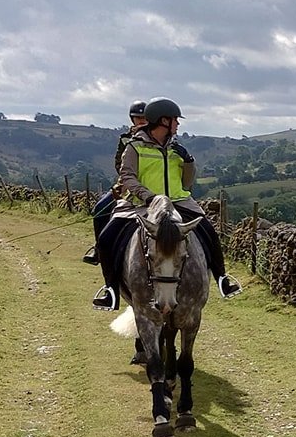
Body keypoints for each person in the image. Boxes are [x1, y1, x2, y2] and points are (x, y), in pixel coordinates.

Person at [93, 97, 242, 307]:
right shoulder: (134, 147)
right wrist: (148, 196)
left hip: (179, 201)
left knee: (209, 231)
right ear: (163, 121)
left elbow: (187, 183)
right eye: (175, 120)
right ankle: (111, 290)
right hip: (141, 204)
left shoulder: (177, 148)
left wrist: (189, 162)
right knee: (107, 237)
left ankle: (222, 278)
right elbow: (127, 177)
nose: (178, 124)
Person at [82, 99, 147, 269]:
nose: (141, 121)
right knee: (100, 209)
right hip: (126, 185)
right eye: (137, 118)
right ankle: (98, 249)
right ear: (132, 120)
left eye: (144, 118)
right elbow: (119, 163)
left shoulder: (156, 138)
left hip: (153, 185)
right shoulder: (125, 139)